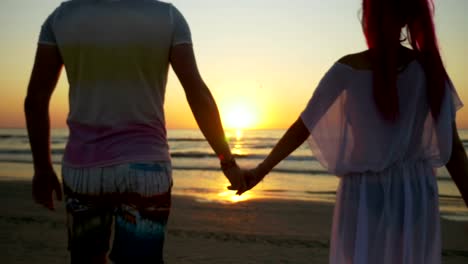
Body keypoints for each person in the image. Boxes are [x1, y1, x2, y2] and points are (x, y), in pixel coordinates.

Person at [239, 0, 468, 263]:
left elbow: (303, 126)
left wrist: (262, 169)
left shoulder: (347, 69)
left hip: (365, 193)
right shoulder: (428, 69)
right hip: (412, 193)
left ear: (368, 16)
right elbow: (455, 151)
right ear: (408, 17)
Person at [24, 0, 244, 263]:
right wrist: (227, 161)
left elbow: (35, 99)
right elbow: (197, 93)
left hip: (84, 169)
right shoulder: (168, 16)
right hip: (146, 170)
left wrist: (42, 167)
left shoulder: (61, 17)